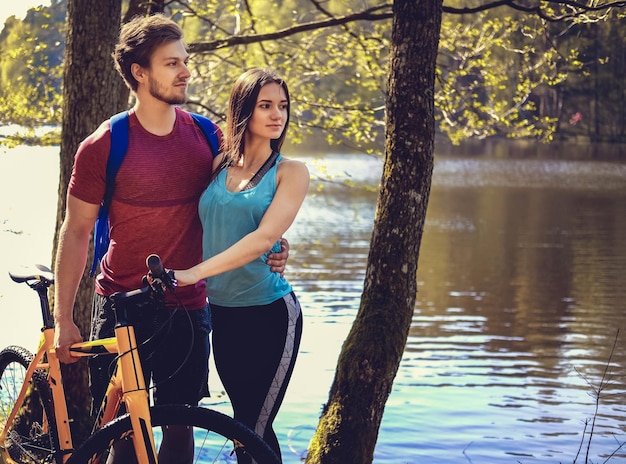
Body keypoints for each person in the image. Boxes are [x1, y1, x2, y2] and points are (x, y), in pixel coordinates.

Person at [52, 15, 289, 464]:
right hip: (122, 303)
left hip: (188, 304)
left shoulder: (206, 135)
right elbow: (77, 229)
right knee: (120, 428)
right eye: (171, 63)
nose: (185, 71)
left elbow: (237, 204)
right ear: (139, 72)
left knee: (180, 428)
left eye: (185, 60)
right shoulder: (105, 144)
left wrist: (275, 242)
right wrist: (63, 317)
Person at [174, 68, 309, 463]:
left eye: (282, 106)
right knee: (239, 426)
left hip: (270, 314)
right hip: (222, 313)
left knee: (256, 426)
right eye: (265, 105)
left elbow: (265, 238)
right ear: (243, 110)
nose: (276, 115)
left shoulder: (291, 172)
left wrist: (194, 274)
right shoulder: (218, 164)